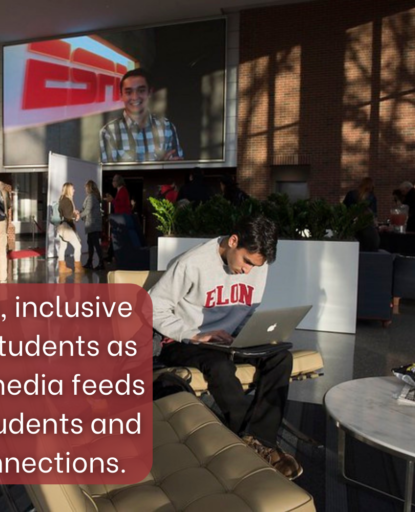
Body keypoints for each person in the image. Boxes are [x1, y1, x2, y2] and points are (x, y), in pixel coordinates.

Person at [150, 216, 302, 480]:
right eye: (246, 262)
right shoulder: (191, 263)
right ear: (233, 241)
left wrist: (247, 334)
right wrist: (194, 335)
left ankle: (259, 441)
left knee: (280, 357)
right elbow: (152, 307)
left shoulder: (256, 265)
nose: (247, 272)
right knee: (220, 366)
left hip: (228, 340)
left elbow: (247, 310)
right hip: (183, 340)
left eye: (255, 266)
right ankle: (260, 448)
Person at [99, 68, 183, 163]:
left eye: (141, 90)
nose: (135, 97)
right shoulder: (108, 132)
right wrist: (160, 168)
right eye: (129, 92)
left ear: (150, 92)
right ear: (121, 95)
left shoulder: (167, 127)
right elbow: (110, 176)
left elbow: (176, 170)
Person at [56, 182, 84, 275]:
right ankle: (78, 267)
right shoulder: (67, 200)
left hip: (61, 227)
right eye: (73, 188)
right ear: (68, 189)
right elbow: (68, 215)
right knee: (78, 246)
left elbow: (63, 213)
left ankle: (62, 267)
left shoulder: (62, 199)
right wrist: (76, 215)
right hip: (67, 227)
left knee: (63, 247)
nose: (74, 190)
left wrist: (73, 212)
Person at [80, 180, 105, 270]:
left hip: (92, 225)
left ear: (89, 187)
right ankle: (90, 262)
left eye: (85, 186)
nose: (84, 188)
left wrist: (79, 215)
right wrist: (79, 213)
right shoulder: (94, 197)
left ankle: (101, 263)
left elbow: (87, 210)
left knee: (95, 244)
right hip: (93, 225)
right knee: (91, 244)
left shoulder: (91, 197)